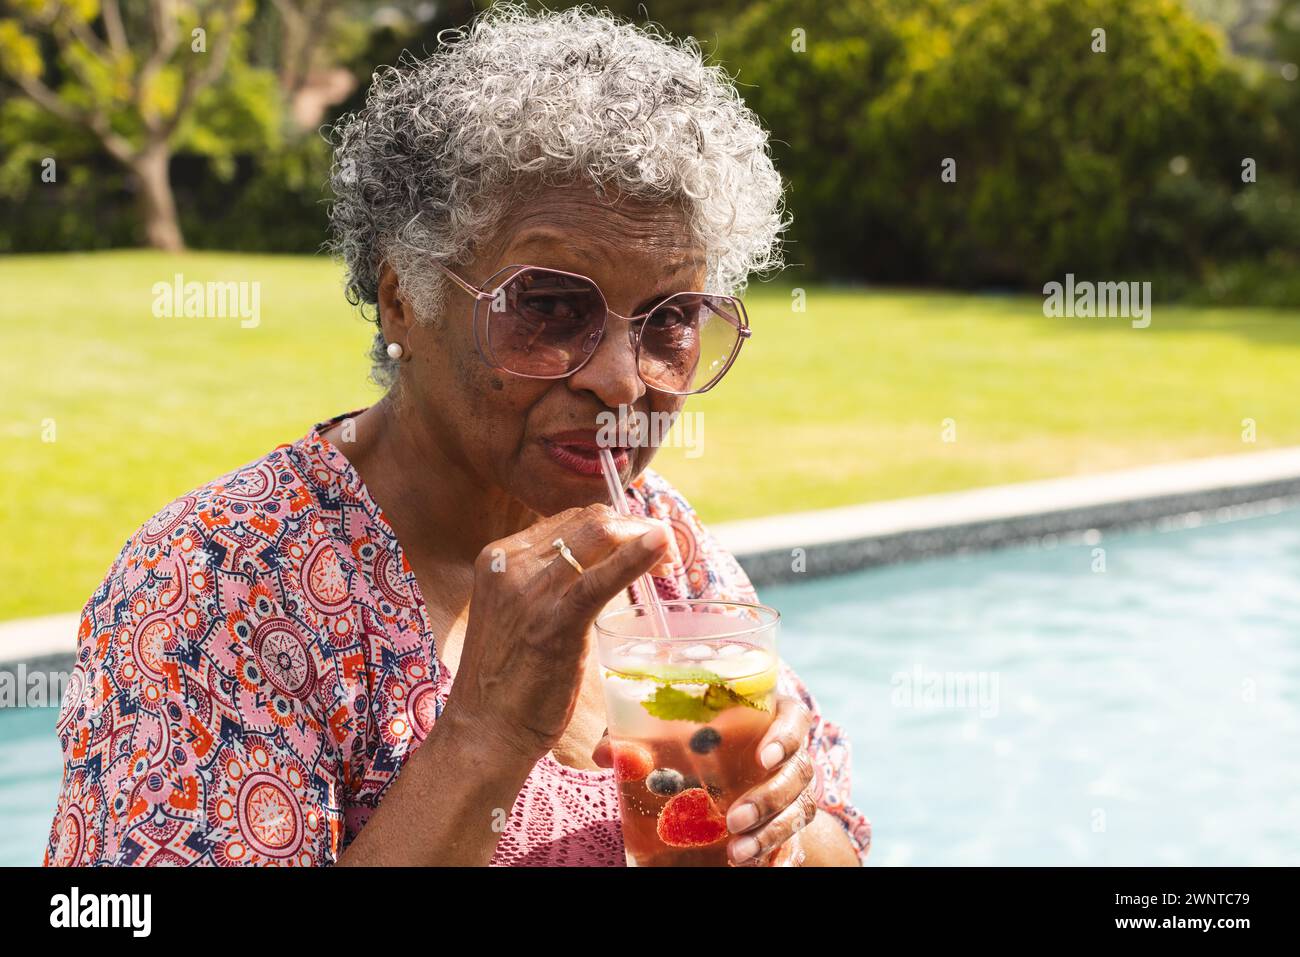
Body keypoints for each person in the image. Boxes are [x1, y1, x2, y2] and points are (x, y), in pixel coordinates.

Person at [44, 3, 871, 867]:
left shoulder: (665, 547)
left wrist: (785, 816)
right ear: (404, 296)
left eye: (671, 318)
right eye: (551, 307)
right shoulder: (215, 587)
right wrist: (487, 733)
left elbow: (838, 843)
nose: (623, 380)